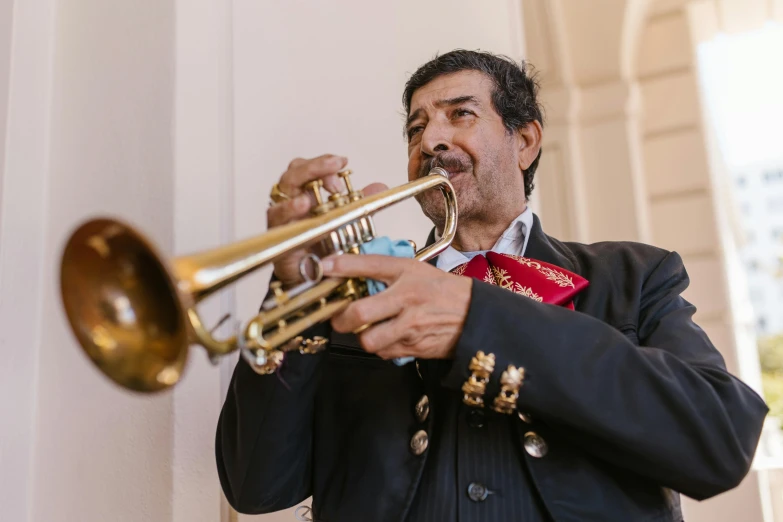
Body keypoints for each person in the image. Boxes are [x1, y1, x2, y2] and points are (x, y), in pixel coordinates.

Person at [215, 50, 769, 522]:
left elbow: (718, 440)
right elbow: (256, 485)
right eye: (416, 128)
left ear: (525, 140)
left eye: (460, 115)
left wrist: (476, 319)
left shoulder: (634, 277)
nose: (431, 139)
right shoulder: (357, 299)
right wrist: (291, 295)